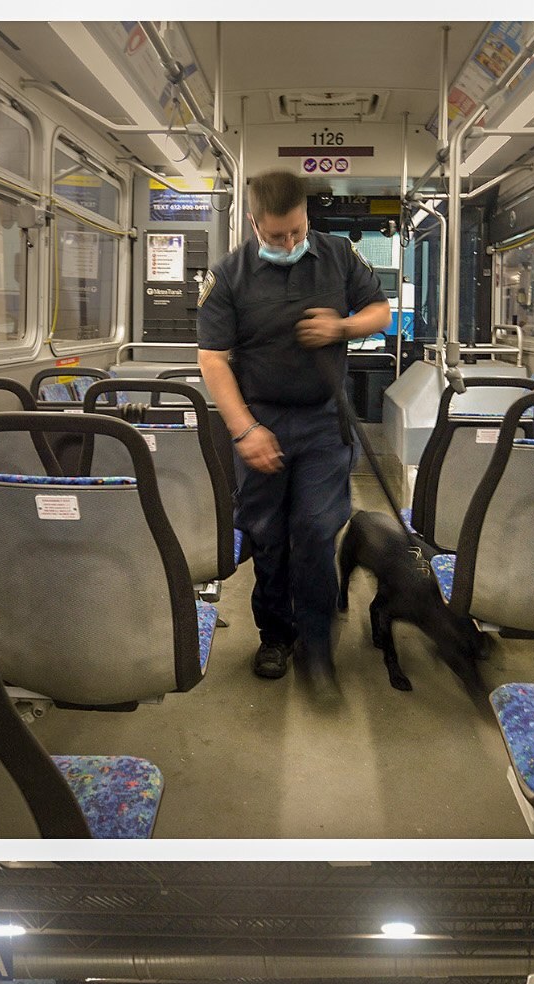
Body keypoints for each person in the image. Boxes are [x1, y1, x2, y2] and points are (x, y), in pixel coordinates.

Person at [194, 169, 391, 685]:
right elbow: (213, 360)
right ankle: (276, 636)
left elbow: (380, 311)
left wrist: (342, 327)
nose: (290, 242)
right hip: (259, 420)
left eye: (298, 231)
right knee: (269, 537)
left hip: (324, 422)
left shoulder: (338, 255)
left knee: (314, 530)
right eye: (278, 235)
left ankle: (318, 644)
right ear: (255, 224)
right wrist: (244, 431)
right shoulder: (229, 275)